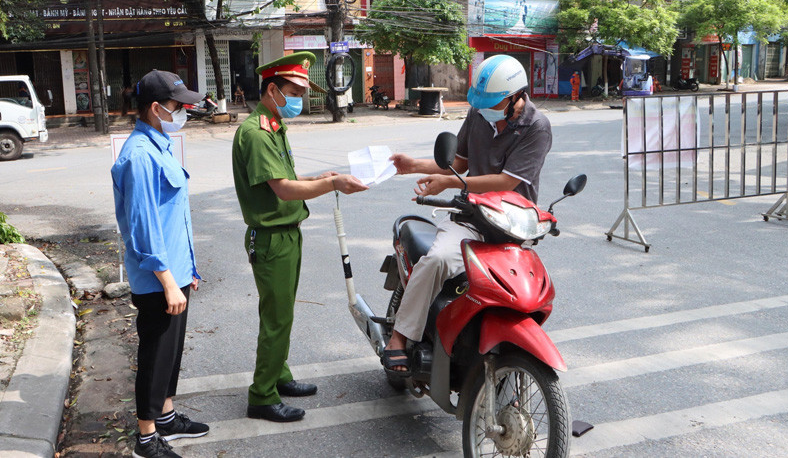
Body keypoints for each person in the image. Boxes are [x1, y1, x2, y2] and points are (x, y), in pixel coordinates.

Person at [383, 55, 552, 374]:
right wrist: (413, 166)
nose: (485, 107)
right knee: (437, 260)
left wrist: (447, 182)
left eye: (493, 101)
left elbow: (505, 181)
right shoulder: (477, 114)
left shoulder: (537, 127)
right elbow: (458, 163)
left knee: (521, 297)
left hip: (512, 224)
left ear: (516, 96)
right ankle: (398, 337)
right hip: (471, 217)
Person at [231, 51, 368, 423]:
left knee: (283, 314)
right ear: (272, 89)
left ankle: (278, 375)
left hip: (287, 235)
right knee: (275, 318)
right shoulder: (257, 133)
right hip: (273, 238)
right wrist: (333, 183)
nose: (300, 99)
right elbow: (284, 190)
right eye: (294, 91)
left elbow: (291, 178)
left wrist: (324, 175)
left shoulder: (274, 125)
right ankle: (261, 395)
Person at [111, 70, 209, 458]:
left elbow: (174, 218)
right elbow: (143, 227)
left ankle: (166, 416)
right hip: (157, 279)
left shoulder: (160, 145)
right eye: (178, 105)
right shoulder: (138, 156)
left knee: (171, 351)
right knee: (155, 353)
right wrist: (168, 280)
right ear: (155, 108)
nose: (184, 110)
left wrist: (189, 270)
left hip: (175, 271)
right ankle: (147, 437)